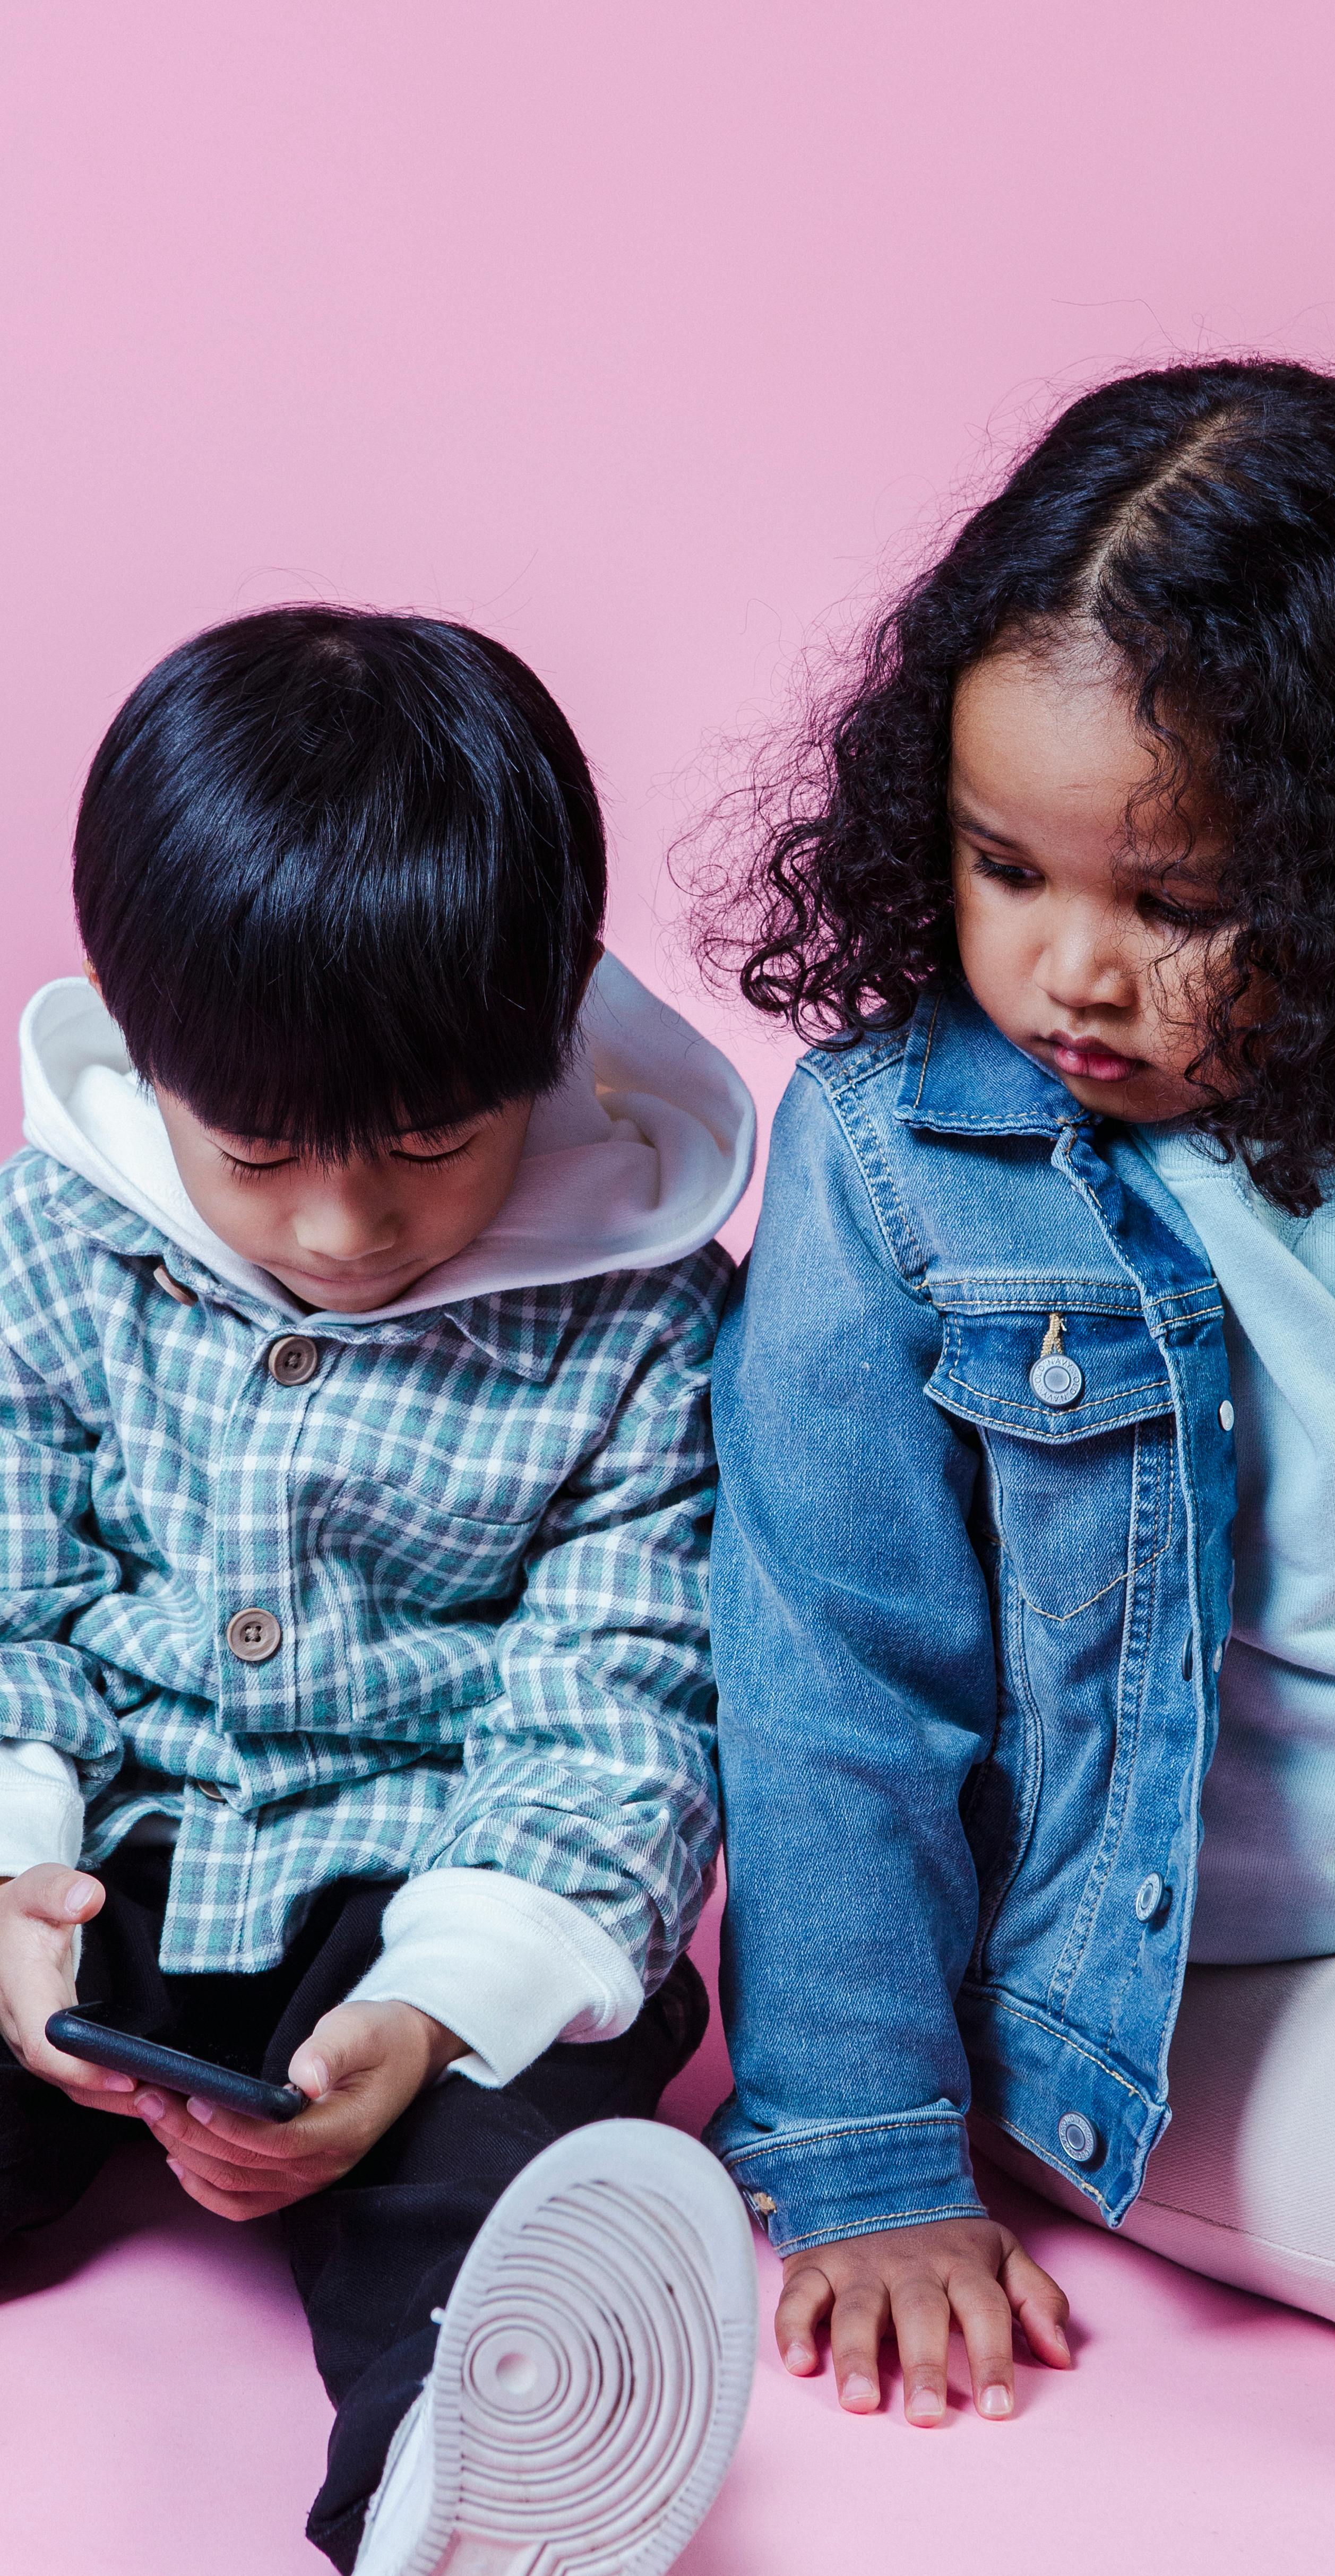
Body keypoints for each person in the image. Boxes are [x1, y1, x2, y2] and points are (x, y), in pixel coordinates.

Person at [700, 362, 1335, 2433]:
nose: (1070, 969)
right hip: (1180, 1981)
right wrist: (861, 2148)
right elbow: (832, 1674)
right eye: (1005, 867)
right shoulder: (898, 1165)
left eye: (1170, 906)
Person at [0, 606, 758, 2573]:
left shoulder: (649, 1315)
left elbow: (620, 1701)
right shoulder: (55, 1231)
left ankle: (465, 2476)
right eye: (254, 1156)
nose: (346, 1230)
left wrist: (434, 2011)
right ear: (148, 1052)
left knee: (497, 2174)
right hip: (109, 1855)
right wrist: (13, 1863)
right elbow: (14, 1567)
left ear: (557, 1032)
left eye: (433, 1146)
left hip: (430, 1890)